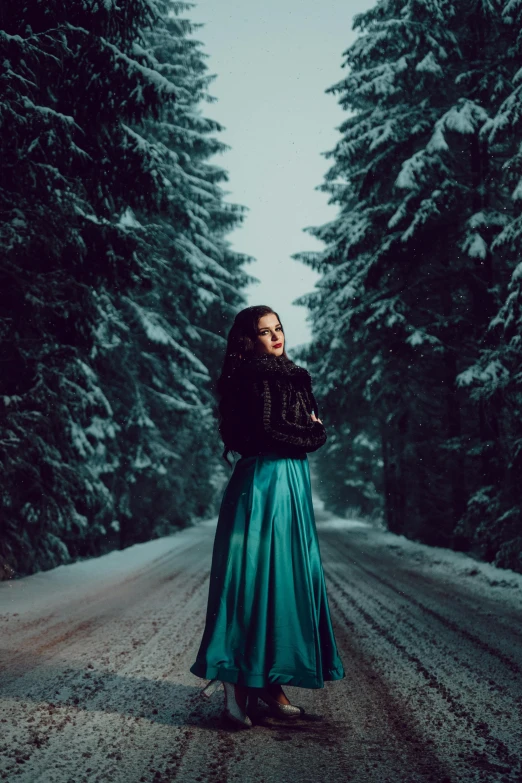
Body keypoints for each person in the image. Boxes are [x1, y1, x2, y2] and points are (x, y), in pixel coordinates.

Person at [189, 305, 345, 728]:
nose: (276, 336)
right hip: (264, 483)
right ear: (248, 338)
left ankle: (266, 684)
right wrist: (312, 431)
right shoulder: (255, 377)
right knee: (251, 581)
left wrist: (308, 433)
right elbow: (275, 432)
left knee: (282, 582)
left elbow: (297, 432)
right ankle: (236, 683)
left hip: (287, 481)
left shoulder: (290, 374)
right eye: (264, 331)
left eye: (278, 328)